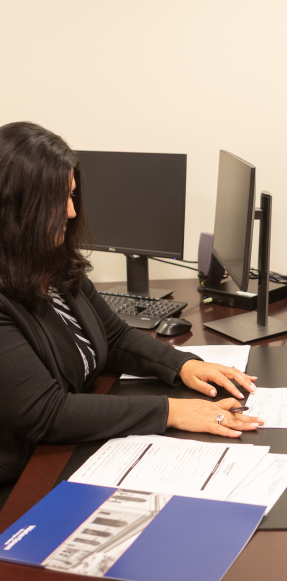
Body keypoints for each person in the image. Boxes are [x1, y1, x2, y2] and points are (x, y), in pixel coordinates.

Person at [0, 121, 263, 508]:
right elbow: (47, 412)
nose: (72, 213)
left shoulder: (52, 264)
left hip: (71, 446)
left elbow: (115, 336)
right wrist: (170, 411)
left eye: (73, 196)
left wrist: (182, 366)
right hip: (23, 479)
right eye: (59, 200)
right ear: (19, 208)